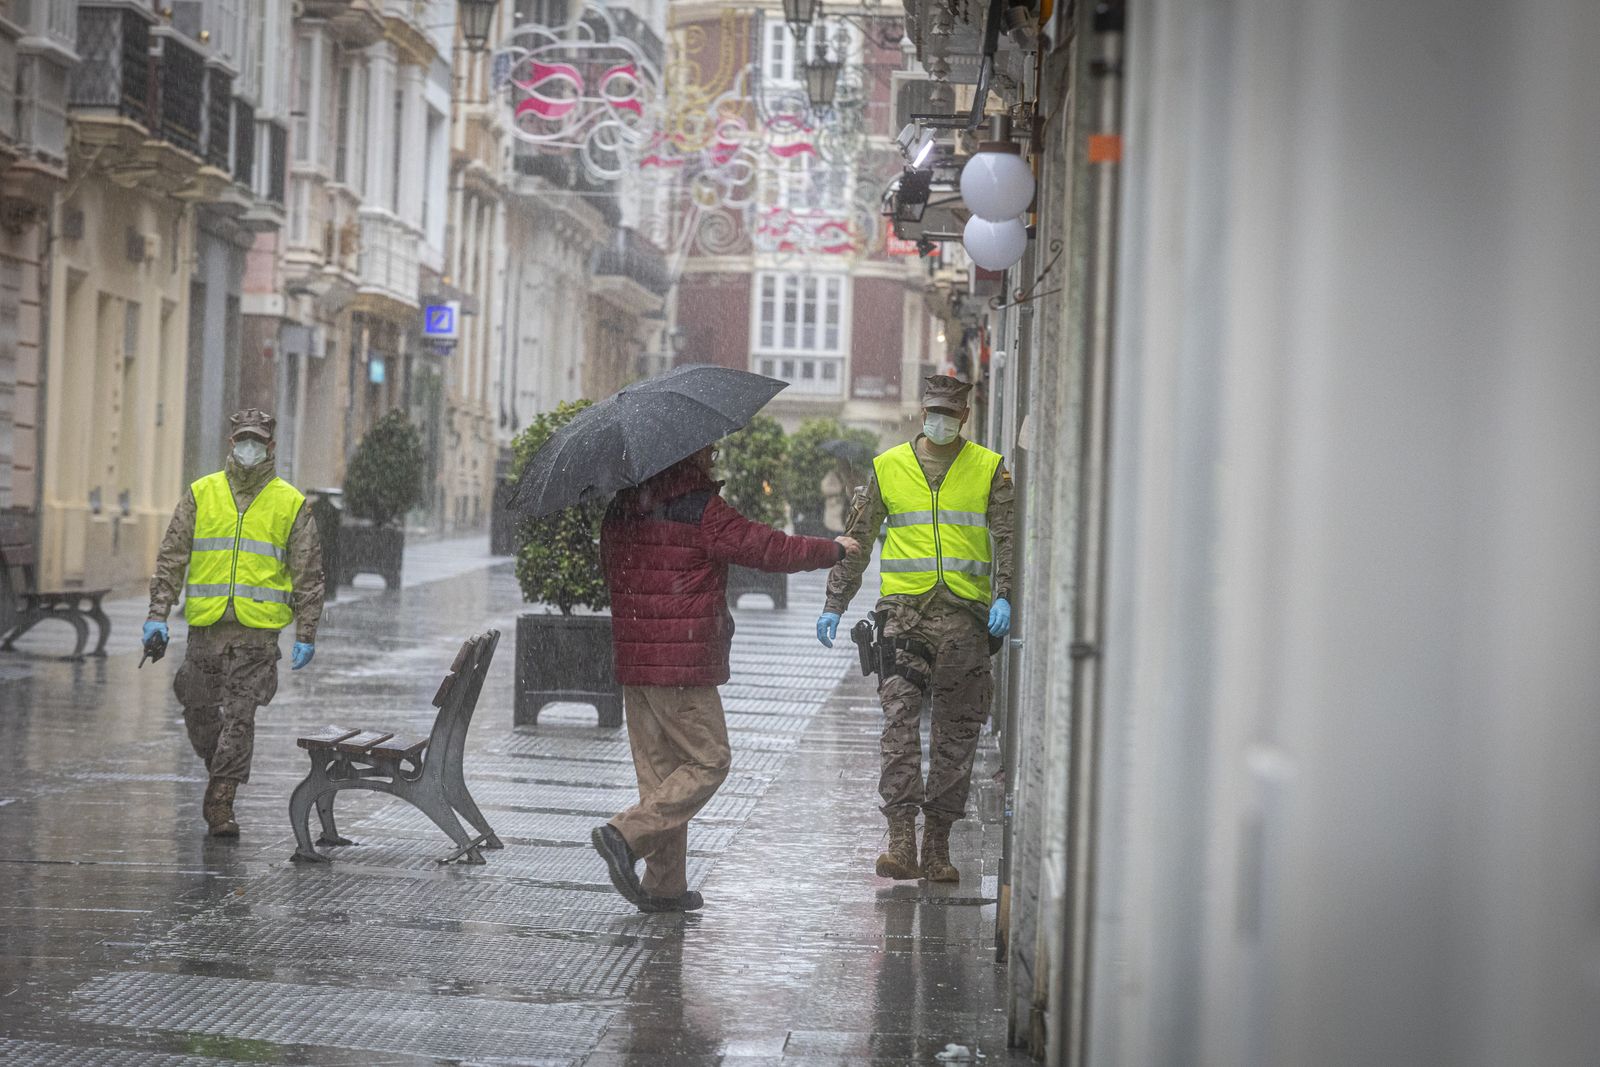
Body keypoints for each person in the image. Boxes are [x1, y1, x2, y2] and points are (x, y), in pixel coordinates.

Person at [590, 444, 861, 912]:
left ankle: (664, 887)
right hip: (682, 662)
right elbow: (765, 547)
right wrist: (832, 550)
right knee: (709, 761)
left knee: (661, 778)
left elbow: (610, 570)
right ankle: (624, 834)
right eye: (709, 449)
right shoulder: (699, 507)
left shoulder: (623, 504)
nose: (714, 454)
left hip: (636, 660)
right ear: (692, 454)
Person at [815, 375, 1015, 883]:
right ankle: (901, 838)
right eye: (933, 411)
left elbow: (1007, 539)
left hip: (966, 620)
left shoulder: (989, 469)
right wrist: (835, 602)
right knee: (899, 722)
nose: (940, 420)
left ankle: (938, 846)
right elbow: (856, 540)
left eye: (949, 412)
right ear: (923, 413)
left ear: (963, 417)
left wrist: (1005, 594)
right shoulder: (888, 468)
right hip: (903, 615)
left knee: (957, 733)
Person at [144, 408, 324, 837]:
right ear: (231, 444)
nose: (249, 448)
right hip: (206, 629)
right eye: (243, 440)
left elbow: (309, 573)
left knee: (240, 718)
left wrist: (306, 632)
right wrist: (157, 614)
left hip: (257, 636)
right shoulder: (201, 493)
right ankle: (220, 770)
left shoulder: (290, 502)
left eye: (257, 441)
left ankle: (221, 802)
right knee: (199, 712)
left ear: (270, 447)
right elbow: (173, 556)